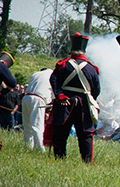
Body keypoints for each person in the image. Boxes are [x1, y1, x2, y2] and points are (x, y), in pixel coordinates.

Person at [50, 33, 100, 163]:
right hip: (84, 105)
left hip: (65, 103)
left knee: (61, 134)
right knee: (85, 135)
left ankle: (60, 160)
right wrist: (88, 98)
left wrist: (60, 95)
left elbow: (53, 80)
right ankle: (87, 162)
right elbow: (96, 90)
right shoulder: (92, 69)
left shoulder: (63, 65)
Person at [22, 68, 53, 152]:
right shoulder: (52, 75)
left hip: (26, 97)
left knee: (27, 125)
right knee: (37, 126)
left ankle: (27, 146)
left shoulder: (36, 74)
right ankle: (40, 149)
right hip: (38, 99)